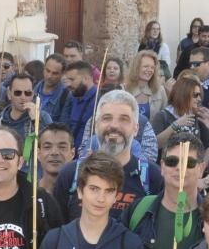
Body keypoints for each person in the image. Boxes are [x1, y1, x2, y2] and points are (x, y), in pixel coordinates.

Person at [61, 90, 164, 220]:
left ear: (136, 128)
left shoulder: (152, 177)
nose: (114, 125)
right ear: (96, 125)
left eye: (124, 119)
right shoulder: (71, 174)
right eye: (107, 118)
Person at [128, 133, 205, 249]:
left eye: (189, 163)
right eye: (172, 161)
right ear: (162, 167)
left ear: (201, 169)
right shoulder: (139, 210)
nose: (180, 168)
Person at [151, 73, 209, 149]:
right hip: (170, 160)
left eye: (199, 95)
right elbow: (154, 145)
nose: (199, 99)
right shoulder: (162, 116)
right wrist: (175, 125)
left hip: (194, 160)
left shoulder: (198, 116)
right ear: (183, 94)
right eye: (196, 95)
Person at [0, 71, 53, 147]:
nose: (23, 97)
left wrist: (36, 121)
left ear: (32, 94)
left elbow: (49, 145)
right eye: (18, 93)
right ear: (9, 94)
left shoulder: (43, 117)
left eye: (27, 93)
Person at [126, 50, 168, 121]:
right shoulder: (124, 89)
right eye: (146, 66)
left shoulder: (160, 90)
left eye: (152, 67)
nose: (149, 70)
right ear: (136, 67)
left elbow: (165, 118)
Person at [65, 60, 98, 147]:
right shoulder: (72, 97)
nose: (68, 84)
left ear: (86, 79)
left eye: (72, 79)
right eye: (67, 80)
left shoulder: (100, 100)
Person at [35, 53, 70, 121]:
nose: (49, 76)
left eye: (55, 73)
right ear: (44, 68)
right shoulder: (33, 87)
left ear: (62, 74)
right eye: (47, 71)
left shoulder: (66, 96)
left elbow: (63, 126)